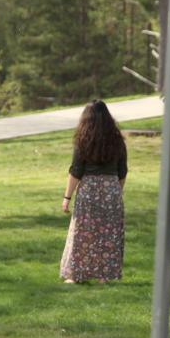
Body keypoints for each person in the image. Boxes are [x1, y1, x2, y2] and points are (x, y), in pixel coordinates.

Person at [60, 100, 127, 285]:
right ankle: (104, 277)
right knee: (109, 234)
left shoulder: (82, 139)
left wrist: (67, 198)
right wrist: (116, 191)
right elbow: (122, 171)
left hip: (88, 189)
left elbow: (76, 171)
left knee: (82, 233)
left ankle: (75, 275)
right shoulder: (117, 139)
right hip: (111, 188)